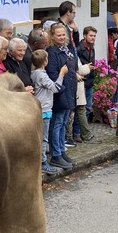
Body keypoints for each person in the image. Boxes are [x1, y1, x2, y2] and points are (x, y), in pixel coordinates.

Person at [46, 23, 77, 170]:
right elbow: (52, 74)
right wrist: (63, 87)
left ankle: (61, 151)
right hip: (60, 94)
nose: (61, 37)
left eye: (63, 34)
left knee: (63, 123)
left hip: (69, 91)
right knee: (56, 124)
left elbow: (72, 68)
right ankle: (56, 154)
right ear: (52, 36)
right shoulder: (51, 52)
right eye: (58, 35)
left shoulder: (66, 49)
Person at [31, 49, 66, 174]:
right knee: (43, 138)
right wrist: (61, 74)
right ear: (45, 61)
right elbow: (56, 88)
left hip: (39, 108)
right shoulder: (42, 75)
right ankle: (43, 163)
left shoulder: (33, 73)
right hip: (44, 109)